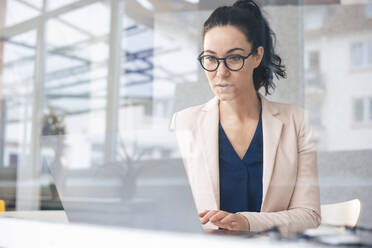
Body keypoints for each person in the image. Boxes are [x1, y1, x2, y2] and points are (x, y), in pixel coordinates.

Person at [170, 0, 320, 234]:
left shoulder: (296, 122)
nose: (221, 73)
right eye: (210, 58)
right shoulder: (183, 124)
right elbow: (172, 212)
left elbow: (309, 215)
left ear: (257, 56)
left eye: (234, 58)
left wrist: (247, 222)